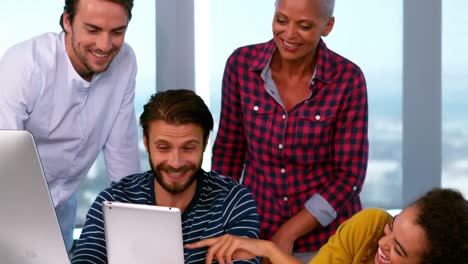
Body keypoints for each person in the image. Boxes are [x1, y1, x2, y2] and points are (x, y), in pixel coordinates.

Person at [211, 0, 368, 261]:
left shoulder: (347, 79)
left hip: (327, 239)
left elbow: (348, 178)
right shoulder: (241, 66)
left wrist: (288, 233)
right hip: (256, 229)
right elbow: (228, 152)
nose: (289, 34)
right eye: (281, 20)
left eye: (304, 26)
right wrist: (221, 220)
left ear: (327, 26)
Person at [0, 0, 140, 251]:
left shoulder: (125, 62)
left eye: (117, 32)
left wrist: (136, 244)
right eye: (93, 30)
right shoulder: (24, 65)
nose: (105, 45)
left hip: (61, 219)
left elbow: (123, 162)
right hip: (7, 213)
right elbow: (5, 167)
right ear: (67, 21)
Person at [71, 89, 261, 264]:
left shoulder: (234, 202)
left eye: (188, 148)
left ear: (204, 143)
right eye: (163, 147)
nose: (176, 163)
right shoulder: (114, 201)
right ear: (146, 143)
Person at [187, 187, 468, 264]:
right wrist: (268, 249)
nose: (384, 244)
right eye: (393, 227)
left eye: (399, 250)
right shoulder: (370, 225)